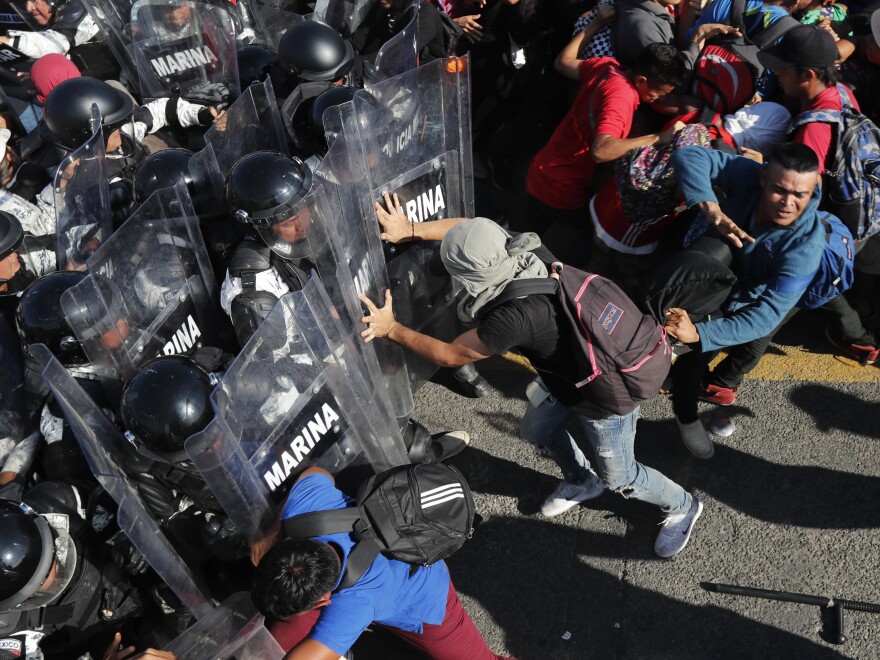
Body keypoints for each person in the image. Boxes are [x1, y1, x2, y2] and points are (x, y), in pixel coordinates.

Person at [358, 197, 702, 558]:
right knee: (535, 431)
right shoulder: (526, 248)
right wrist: (410, 231)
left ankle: (682, 505)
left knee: (621, 477)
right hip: (572, 376)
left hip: (603, 398)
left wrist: (391, 328)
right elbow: (473, 226)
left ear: (470, 278)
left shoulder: (510, 319)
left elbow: (450, 354)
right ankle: (582, 481)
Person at [250, 466, 514, 659]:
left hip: (422, 599)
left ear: (322, 603)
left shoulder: (358, 602)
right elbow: (316, 473)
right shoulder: (305, 509)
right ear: (286, 544)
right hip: (372, 584)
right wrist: (271, 534)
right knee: (283, 638)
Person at [663, 143, 828, 448]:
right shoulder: (747, 175)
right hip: (701, 275)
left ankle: (686, 416)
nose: (788, 203)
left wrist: (697, 333)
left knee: (692, 362)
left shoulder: (805, 247)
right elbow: (689, 155)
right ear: (763, 177)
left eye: (800, 195)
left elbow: (765, 317)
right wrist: (708, 203)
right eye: (780, 190)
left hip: (733, 301)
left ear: (813, 188)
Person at [757, 24, 880, 366]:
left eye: (783, 69)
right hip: (862, 216)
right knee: (826, 280)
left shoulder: (813, 129)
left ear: (807, 74)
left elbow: (801, 198)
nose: (777, 75)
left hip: (835, 226)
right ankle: (856, 336)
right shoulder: (840, 93)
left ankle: (727, 374)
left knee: (791, 290)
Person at [526, 43, 689, 265]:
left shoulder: (607, 66)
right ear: (641, 80)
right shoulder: (622, 98)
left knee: (521, 236)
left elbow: (563, 63)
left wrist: (596, 24)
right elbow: (601, 150)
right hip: (562, 190)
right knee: (584, 242)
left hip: (541, 168)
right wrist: (659, 138)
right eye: (658, 93)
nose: (659, 99)